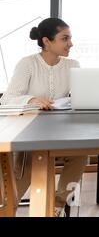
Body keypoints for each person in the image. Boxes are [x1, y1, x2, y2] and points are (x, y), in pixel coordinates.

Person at [0, 18, 87, 217]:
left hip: (62, 133)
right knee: (22, 178)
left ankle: (56, 207)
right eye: (65, 38)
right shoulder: (28, 64)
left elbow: (83, 96)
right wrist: (32, 99)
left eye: (70, 38)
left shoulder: (73, 65)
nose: (71, 44)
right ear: (47, 42)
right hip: (30, 135)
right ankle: (7, 211)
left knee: (80, 154)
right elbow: (7, 99)